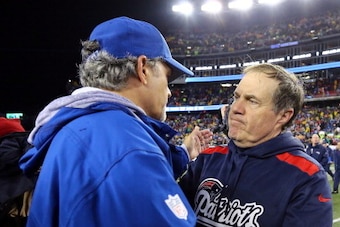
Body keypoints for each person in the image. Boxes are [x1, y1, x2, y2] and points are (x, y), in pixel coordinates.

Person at [19, 16, 212, 226]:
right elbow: (126, 165)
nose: (168, 92)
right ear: (143, 68)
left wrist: (183, 152)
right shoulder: (128, 147)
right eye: (167, 78)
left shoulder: (78, 124)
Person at [178, 63, 333, 226]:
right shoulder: (208, 159)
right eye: (236, 97)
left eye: (252, 101)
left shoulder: (307, 177)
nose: (235, 108)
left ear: (283, 116)